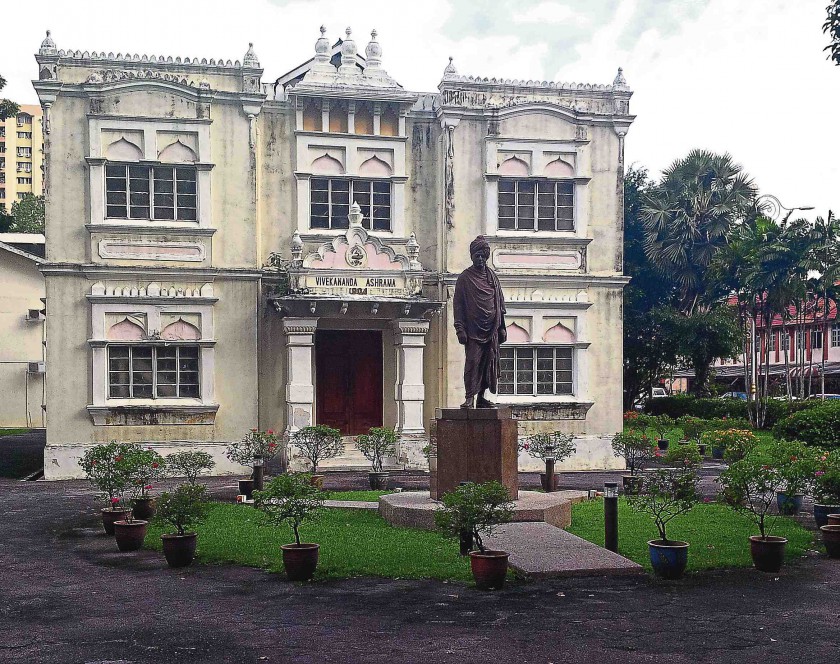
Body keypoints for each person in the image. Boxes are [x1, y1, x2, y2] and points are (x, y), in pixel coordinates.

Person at [453, 236, 507, 408]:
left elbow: (499, 303)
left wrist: (502, 327)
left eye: (484, 256)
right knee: (473, 363)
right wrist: (460, 329)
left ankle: (481, 398)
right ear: (472, 256)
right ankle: (469, 397)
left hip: (492, 328)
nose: (481, 259)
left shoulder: (492, 277)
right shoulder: (465, 278)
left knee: (488, 364)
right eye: (478, 255)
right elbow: (458, 305)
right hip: (473, 331)